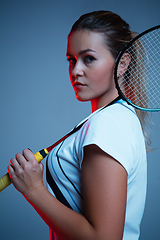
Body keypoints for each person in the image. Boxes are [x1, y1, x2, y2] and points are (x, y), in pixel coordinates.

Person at [7, 11, 149, 240]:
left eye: (88, 58)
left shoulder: (107, 124)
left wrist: (34, 190)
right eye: (71, 60)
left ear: (122, 63)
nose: (75, 71)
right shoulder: (118, 117)